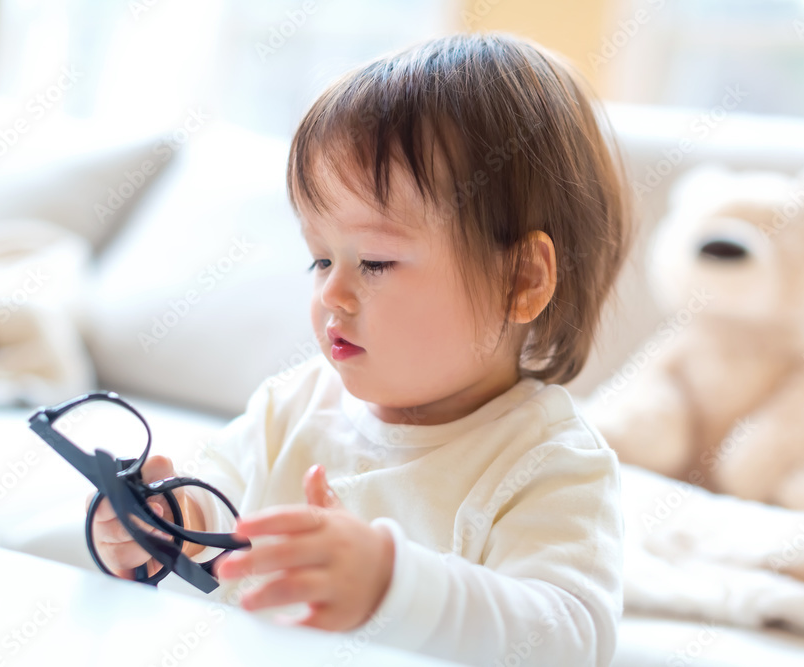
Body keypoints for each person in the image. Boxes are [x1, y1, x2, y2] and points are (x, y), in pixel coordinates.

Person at [89, 32, 632, 666]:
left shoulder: (549, 463)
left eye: (375, 261)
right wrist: (158, 522)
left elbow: (570, 640)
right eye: (320, 257)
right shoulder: (290, 406)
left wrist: (394, 588)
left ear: (522, 280)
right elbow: (214, 503)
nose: (333, 293)